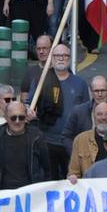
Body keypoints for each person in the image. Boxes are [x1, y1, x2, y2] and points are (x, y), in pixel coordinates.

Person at [42, 44, 89, 178]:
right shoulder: (41, 81)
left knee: (71, 179)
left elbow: (86, 112)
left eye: (65, 55)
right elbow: (30, 104)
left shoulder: (80, 83)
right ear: (52, 58)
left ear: (69, 58)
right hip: (47, 141)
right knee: (49, 181)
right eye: (57, 55)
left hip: (71, 143)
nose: (61, 58)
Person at [0, 101, 51, 191]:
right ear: (6, 117)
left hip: (31, 195)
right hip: (0, 194)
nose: (17, 121)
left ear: (26, 117)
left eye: (21, 117)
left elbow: (47, 169)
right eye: (13, 118)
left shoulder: (37, 138)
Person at [64, 76, 107, 142]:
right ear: (91, 91)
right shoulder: (78, 112)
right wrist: (76, 152)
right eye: (96, 91)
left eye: (103, 90)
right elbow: (67, 136)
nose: (100, 94)